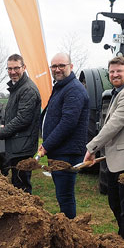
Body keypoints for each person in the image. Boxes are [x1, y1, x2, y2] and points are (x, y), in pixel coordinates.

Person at [84, 55, 124, 244]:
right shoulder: (118, 92)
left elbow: (113, 125)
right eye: (111, 71)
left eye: (119, 71)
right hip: (118, 158)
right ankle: (123, 238)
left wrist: (92, 148)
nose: (114, 74)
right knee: (115, 201)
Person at [37, 53, 89, 218]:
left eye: (61, 66)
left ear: (71, 67)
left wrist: (46, 145)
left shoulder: (73, 89)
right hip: (61, 151)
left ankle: (70, 230)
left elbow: (68, 123)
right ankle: (67, 227)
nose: (57, 69)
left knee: (65, 196)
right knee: (63, 195)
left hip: (67, 153)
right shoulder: (62, 87)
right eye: (54, 66)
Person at [0, 54, 42, 193]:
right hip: (17, 143)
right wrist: (3, 124)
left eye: (16, 68)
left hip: (23, 147)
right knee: (17, 183)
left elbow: (23, 119)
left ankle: (27, 212)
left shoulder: (27, 89)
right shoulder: (17, 87)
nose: (12, 72)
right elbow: (13, 113)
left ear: (24, 67)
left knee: (22, 185)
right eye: (9, 69)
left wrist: (2, 133)